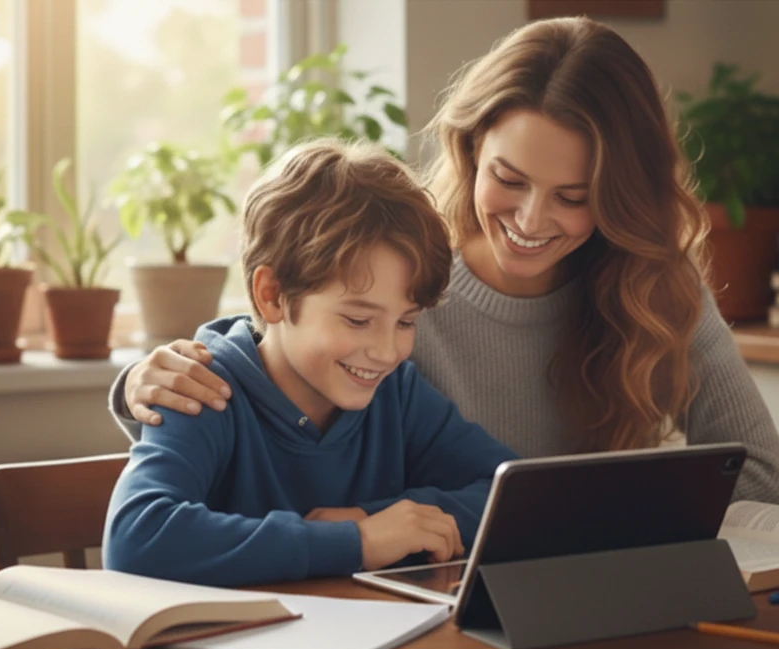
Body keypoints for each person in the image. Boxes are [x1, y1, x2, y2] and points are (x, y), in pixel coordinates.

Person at [108, 17, 779, 505]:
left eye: (573, 197)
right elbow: (278, 351)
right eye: (511, 178)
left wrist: (603, 531)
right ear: (469, 149)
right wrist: (141, 384)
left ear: (620, 199)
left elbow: (761, 478)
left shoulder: (655, 288)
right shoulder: (403, 275)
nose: (529, 221)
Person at [103, 139, 519, 587]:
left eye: (406, 321)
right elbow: (135, 539)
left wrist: (371, 518)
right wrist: (354, 541)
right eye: (358, 319)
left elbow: (517, 497)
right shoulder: (201, 388)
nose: (386, 351)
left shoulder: (397, 394)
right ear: (272, 295)